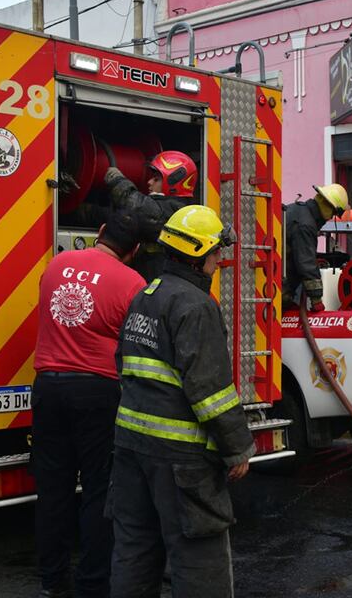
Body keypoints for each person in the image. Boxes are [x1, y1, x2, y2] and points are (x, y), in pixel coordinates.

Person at [108, 205, 255, 598]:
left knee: (135, 551)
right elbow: (212, 392)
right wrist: (237, 448)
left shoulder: (146, 295)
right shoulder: (196, 306)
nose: (219, 260)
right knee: (199, 559)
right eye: (215, 253)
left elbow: (124, 364)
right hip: (182, 460)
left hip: (131, 449)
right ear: (199, 255)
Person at [31, 210, 147, 598]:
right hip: (98, 391)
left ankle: (52, 580)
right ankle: (93, 584)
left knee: (53, 489)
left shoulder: (57, 264)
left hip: (47, 387)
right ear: (134, 250)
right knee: (99, 490)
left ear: (99, 232)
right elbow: (134, 344)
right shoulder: (132, 282)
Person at [102, 150, 198, 282]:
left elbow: (138, 208)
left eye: (156, 179)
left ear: (173, 181)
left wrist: (118, 181)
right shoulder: (167, 209)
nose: (149, 182)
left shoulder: (176, 212)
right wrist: (86, 212)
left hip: (159, 292)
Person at [281, 183, 350, 312]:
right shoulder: (306, 224)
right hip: (280, 289)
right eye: (333, 212)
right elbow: (306, 263)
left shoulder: (298, 210)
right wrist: (317, 299)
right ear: (325, 203)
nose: (330, 217)